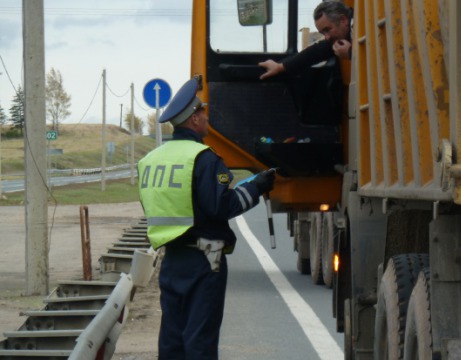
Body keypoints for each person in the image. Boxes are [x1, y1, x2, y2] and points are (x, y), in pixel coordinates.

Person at [137, 78, 275, 360]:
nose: (207, 118)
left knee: (172, 342)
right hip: (205, 261)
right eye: (204, 113)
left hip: (171, 259)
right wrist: (257, 186)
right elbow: (223, 206)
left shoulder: (152, 159)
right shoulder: (203, 157)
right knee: (200, 341)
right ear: (195, 118)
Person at [258, 1, 352, 80]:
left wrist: (350, 53)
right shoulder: (339, 39)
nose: (327, 37)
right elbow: (315, 52)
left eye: (327, 29)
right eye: (323, 33)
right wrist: (280, 67)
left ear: (343, 20)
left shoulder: (362, 27)